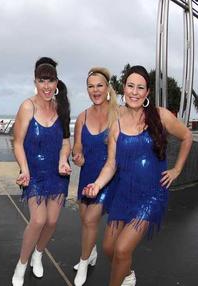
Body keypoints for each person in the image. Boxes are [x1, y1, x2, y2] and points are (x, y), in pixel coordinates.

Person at [82, 65, 192, 286]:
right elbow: (111, 164)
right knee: (109, 249)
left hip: (151, 196)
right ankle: (128, 274)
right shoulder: (117, 124)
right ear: (124, 89)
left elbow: (187, 136)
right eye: (130, 86)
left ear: (147, 92)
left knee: (122, 249)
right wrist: (97, 184)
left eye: (140, 87)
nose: (134, 92)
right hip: (123, 194)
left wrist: (176, 169)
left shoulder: (160, 116)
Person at [11, 57, 71, 286]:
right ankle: (22, 263)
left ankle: (38, 253)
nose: (47, 86)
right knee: (38, 220)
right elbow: (17, 142)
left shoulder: (60, 106)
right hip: (33, 171)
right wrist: (24, 169)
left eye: (51, 81)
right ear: (35, 82)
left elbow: (66, 140)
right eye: (41, 81)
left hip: (57, 172)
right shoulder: (28, 106)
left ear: (57, 82)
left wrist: (63, 159)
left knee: (53, 221)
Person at [71, 67, 119, 286]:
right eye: (91, 86)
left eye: (99, 85)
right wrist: (77, 157)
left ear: (107, 87)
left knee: (91, 220)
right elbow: (77, 149)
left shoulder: (119, 113)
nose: (95, 90)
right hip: (87, 176)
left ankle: (82, 263)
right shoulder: (82, 117)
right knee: (85, 220)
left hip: (109, 178)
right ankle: (91, 253)